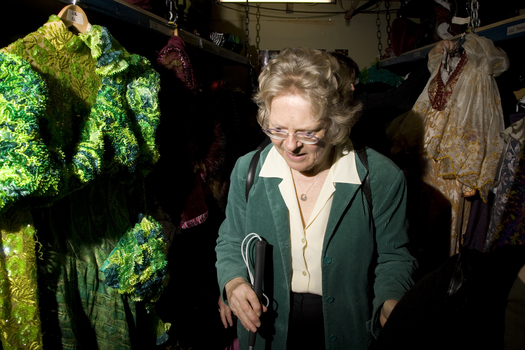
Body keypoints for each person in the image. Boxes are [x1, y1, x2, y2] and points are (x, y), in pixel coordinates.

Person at [215, 47, 417, 350]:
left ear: (335, 122)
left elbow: (394, 257)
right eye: (278, 129)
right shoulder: (249, 170)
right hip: (268, 330)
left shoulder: (381, 177)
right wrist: (234, 282)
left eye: (308, 132)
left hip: (347, 328)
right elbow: (231, 239)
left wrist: (390, 299)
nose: (291, 146)